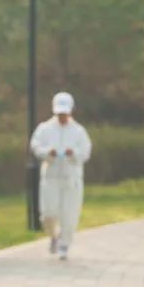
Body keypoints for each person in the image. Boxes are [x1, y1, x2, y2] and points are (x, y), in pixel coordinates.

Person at [29, 91, 92, 260]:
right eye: (59, 113)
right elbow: (35, 146)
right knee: (48, 213)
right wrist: (47, 152)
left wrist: (74, 154)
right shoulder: (44, 128)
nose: (62, 117)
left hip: (71, 179)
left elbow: (85, 152)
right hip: (51, 177)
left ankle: (65, 243)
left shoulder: (79, 131)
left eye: (64, 113)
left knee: (69, 215)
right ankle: (53, 236)